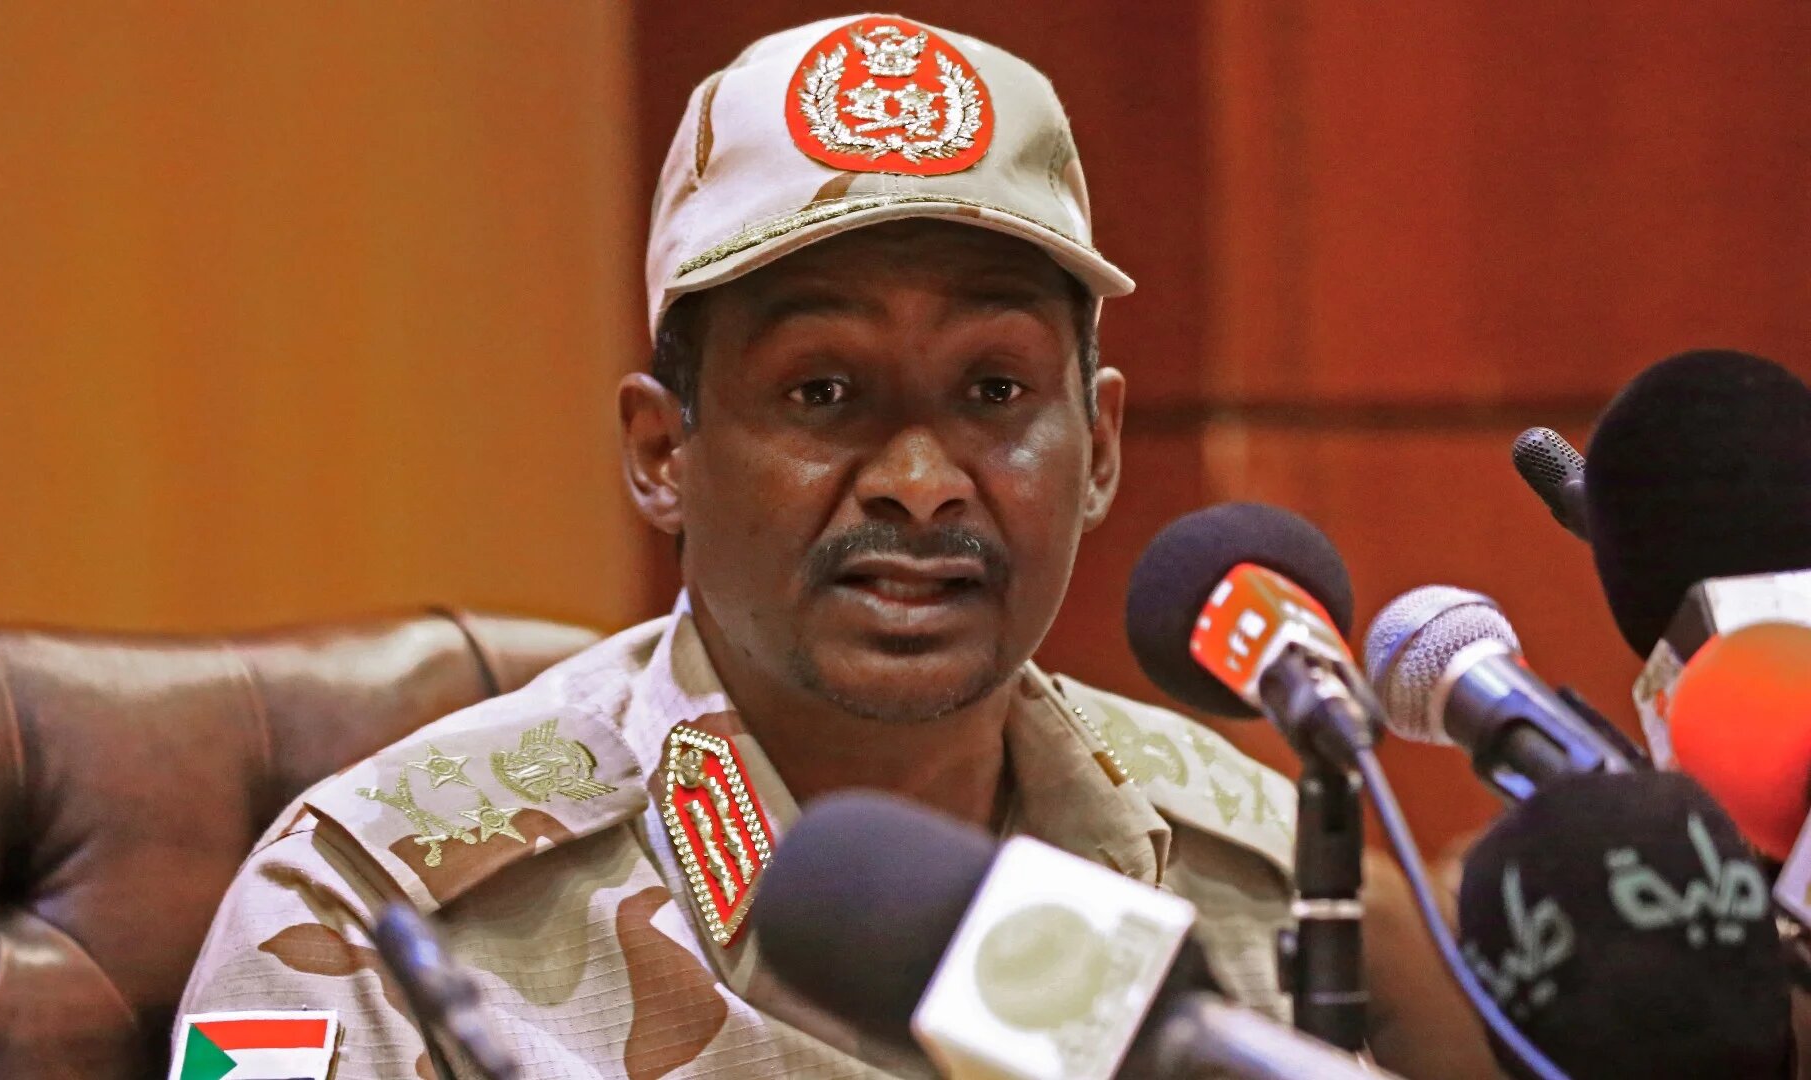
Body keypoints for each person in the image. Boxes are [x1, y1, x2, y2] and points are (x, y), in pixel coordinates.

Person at [174, 14, 1493, 1079]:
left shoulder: (1266, 877)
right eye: (823, 394)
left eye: (991, 394)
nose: (920, 484)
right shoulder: (384, 908)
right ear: (661, 453)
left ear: (1098, 449)